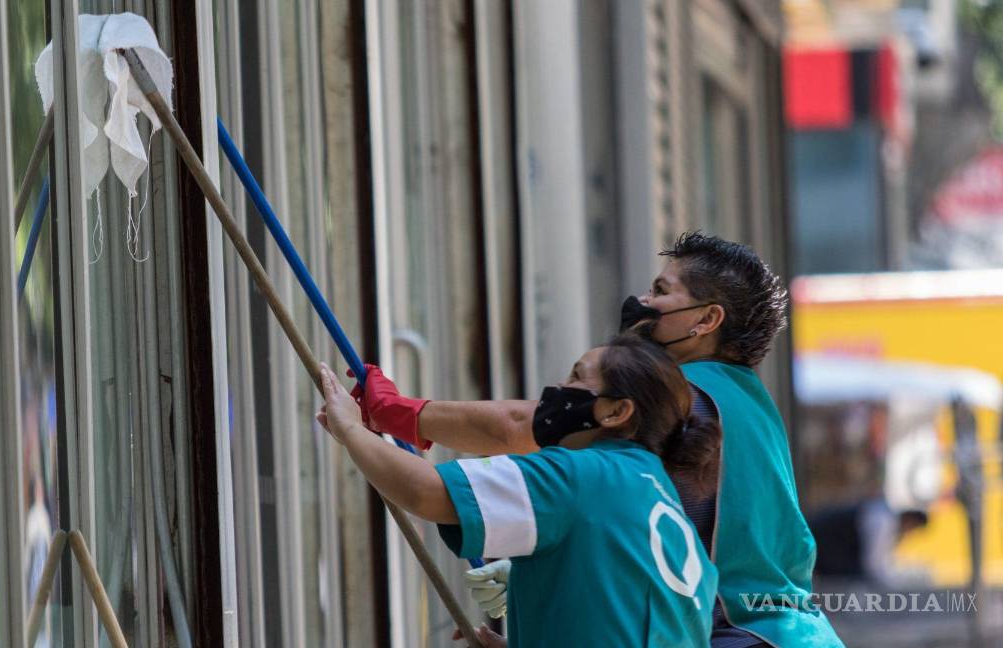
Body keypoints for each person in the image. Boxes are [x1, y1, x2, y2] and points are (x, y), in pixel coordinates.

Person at [355, 233, 842, 647]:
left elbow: (520, 427)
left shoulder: (687, 398)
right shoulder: (749, 402)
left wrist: (405, 414)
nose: (642, 304)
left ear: (706, 320)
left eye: (660, 291)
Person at [319, 335, 721, 647]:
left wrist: (351, 429)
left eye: (577, 377)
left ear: (616, 412)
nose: (558, 388)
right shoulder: (663, 506)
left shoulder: (582, 477)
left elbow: (426, 492)